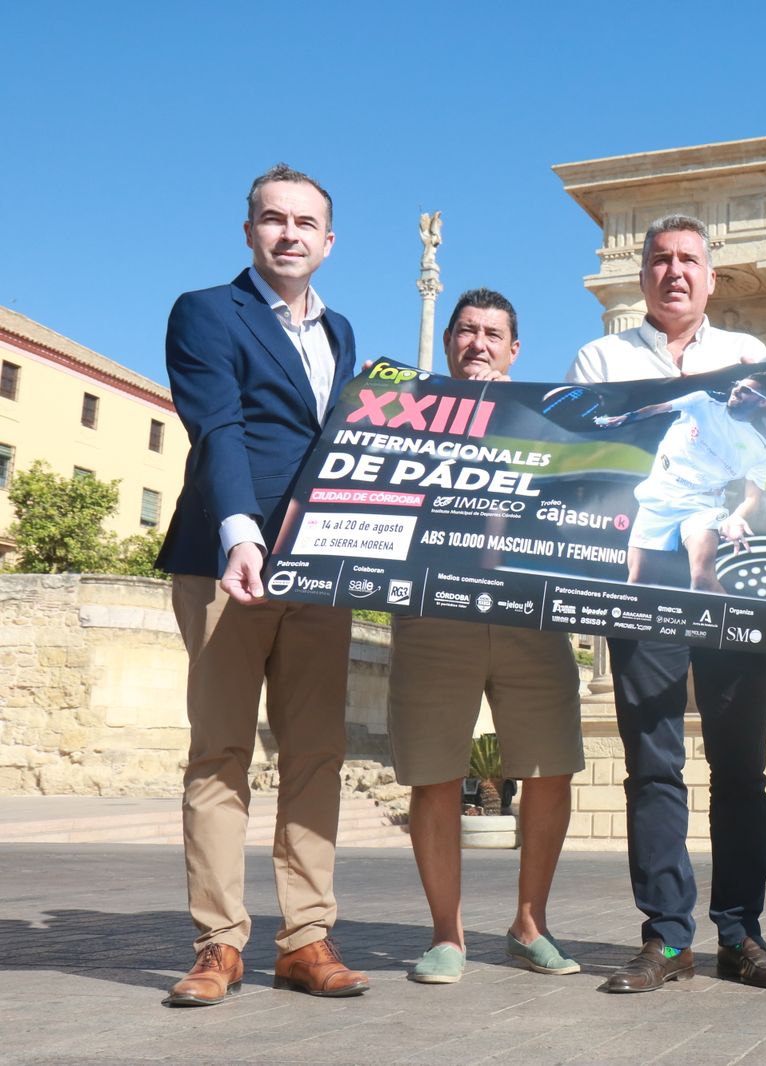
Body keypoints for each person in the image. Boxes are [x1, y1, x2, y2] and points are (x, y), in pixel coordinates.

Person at [158, 164, 368, 1005]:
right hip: (223, 562)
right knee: (220, 752)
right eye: (273, 220)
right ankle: (218, 944)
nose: (289, 234)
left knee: (317, 751)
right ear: (250, 231)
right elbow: (219, 427)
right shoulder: (207, 312)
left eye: (305, 222)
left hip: (319, 566)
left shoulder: (342, 332)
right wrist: (240, 530)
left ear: (327, 240)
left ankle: (307, 938)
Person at [565, 214, 766, 993]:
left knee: (740, 765)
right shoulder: (602, 355)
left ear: (711, 277)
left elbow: (765, 458)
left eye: (689, 260)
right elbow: (591, 459)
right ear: (642, 277)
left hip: (729, 564)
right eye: (660, 259)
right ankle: (666, 937)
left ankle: (741, 933)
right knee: (651, 760)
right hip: (641, 571)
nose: (674, 272)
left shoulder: (749, 356)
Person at [388, 289, 586, 986]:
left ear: (514, 349)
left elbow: (583, 500)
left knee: (552, 764)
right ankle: (447, 936)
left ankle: (530, 924)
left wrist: (514, 418)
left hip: (530, 611)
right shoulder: (408, 414)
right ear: (448, 342)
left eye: (493, 333)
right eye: (467, 331)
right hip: (434, 609)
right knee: (434, 770)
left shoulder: (545, 416)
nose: (479, 343)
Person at [592, 370, 766, 593]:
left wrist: (738, 517)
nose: (737, 390)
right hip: (659, 497)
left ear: (763, 402)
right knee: (639, 583)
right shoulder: (702, 401)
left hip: (701, 506)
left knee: (701, 578)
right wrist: (625, 418)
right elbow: (656, 408)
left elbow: (752, 497)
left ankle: (728, 624)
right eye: (738, 384)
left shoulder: (761, 449)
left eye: (747, 390)